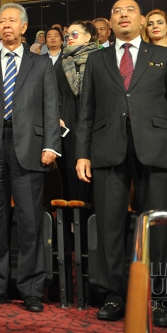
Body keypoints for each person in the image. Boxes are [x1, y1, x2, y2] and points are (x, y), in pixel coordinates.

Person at [75, 0, 167, 327]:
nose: (123, 15)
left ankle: (159, 299)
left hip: (155, 149)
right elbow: (86, 112)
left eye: (129, 11)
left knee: (156, 227)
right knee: (109, 226)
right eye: (116, 11)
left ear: (143, 20)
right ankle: (113, 294)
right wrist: (82, 153)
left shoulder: (164, 56)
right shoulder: (96, 60)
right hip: (106, 148)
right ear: (109, 24)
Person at [0, 3, 61, 313]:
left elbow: (50, 106)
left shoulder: (41, 64)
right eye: (1, 21)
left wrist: (51, 144)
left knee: (30, 221)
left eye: (12, 21)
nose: (6, 25)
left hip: (30, 147)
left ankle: (32, 289)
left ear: (24, 27)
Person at [56, 21, 100, 204]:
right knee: (69, 171)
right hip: (68, 122)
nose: (69, 39)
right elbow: (53, 93)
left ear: (88, 36)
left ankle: (93, 220)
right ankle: (72, 223)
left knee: (95, 170)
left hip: (95, 121)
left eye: (74, 34)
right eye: (67, 36)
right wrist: (56, 116)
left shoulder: (101, 58)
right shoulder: (60, 62)